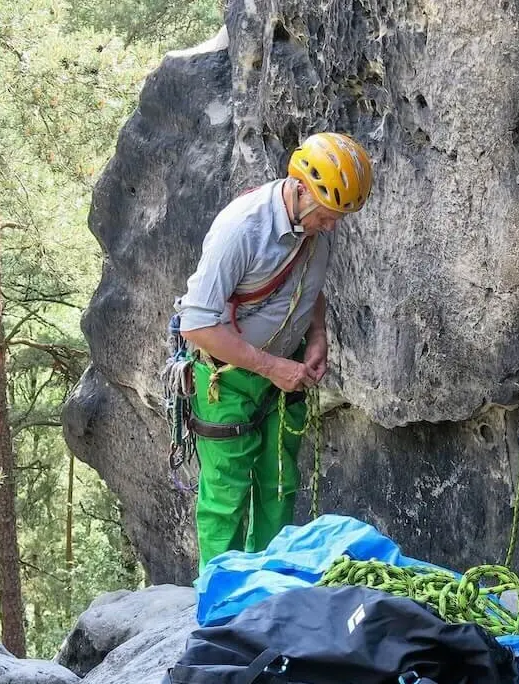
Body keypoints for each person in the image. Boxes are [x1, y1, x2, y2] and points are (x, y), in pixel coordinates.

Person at [174, 132, 373, 573]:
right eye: (330, 213)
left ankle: (270, 591)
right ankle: (222, 605)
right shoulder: (242, 228)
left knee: (278, 485)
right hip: (227, 378)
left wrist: (317, 335)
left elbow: (309, 285)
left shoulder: (316, 225)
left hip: (287, 370)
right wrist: (271, 366)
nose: (335, 225)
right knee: (226, 495)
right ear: (301, 187)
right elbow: (199, 323)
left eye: (341, 215)